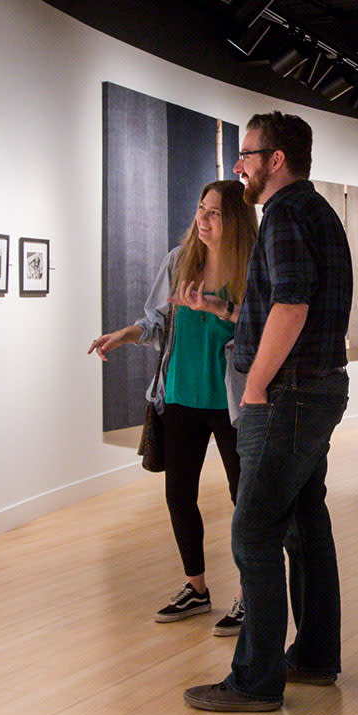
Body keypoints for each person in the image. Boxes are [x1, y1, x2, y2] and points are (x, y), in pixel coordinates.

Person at [184, 111, 352, 712]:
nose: (238, 166)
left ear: (275, 159)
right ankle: (313, 655)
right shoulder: (318, 212)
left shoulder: (282, 216)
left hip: (287, 397)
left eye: (247, 154)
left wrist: (255, 387)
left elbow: (292, 304)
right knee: (306, 521)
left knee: (253, 530)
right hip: (317, 389)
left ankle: (255, 680)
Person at [90, 180, 258, 634]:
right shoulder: (179, 260)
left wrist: (220, 307)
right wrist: (124, 335)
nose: (202, 220)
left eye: (215, 214)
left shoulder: (251, 265)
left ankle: (248, 595)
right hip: (181, 394)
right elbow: (157, 322)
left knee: (243, 499)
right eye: (201, 209)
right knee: (178, 495)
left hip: (232, 402)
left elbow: (263, 324)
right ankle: (196, 588)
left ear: (236, 220)